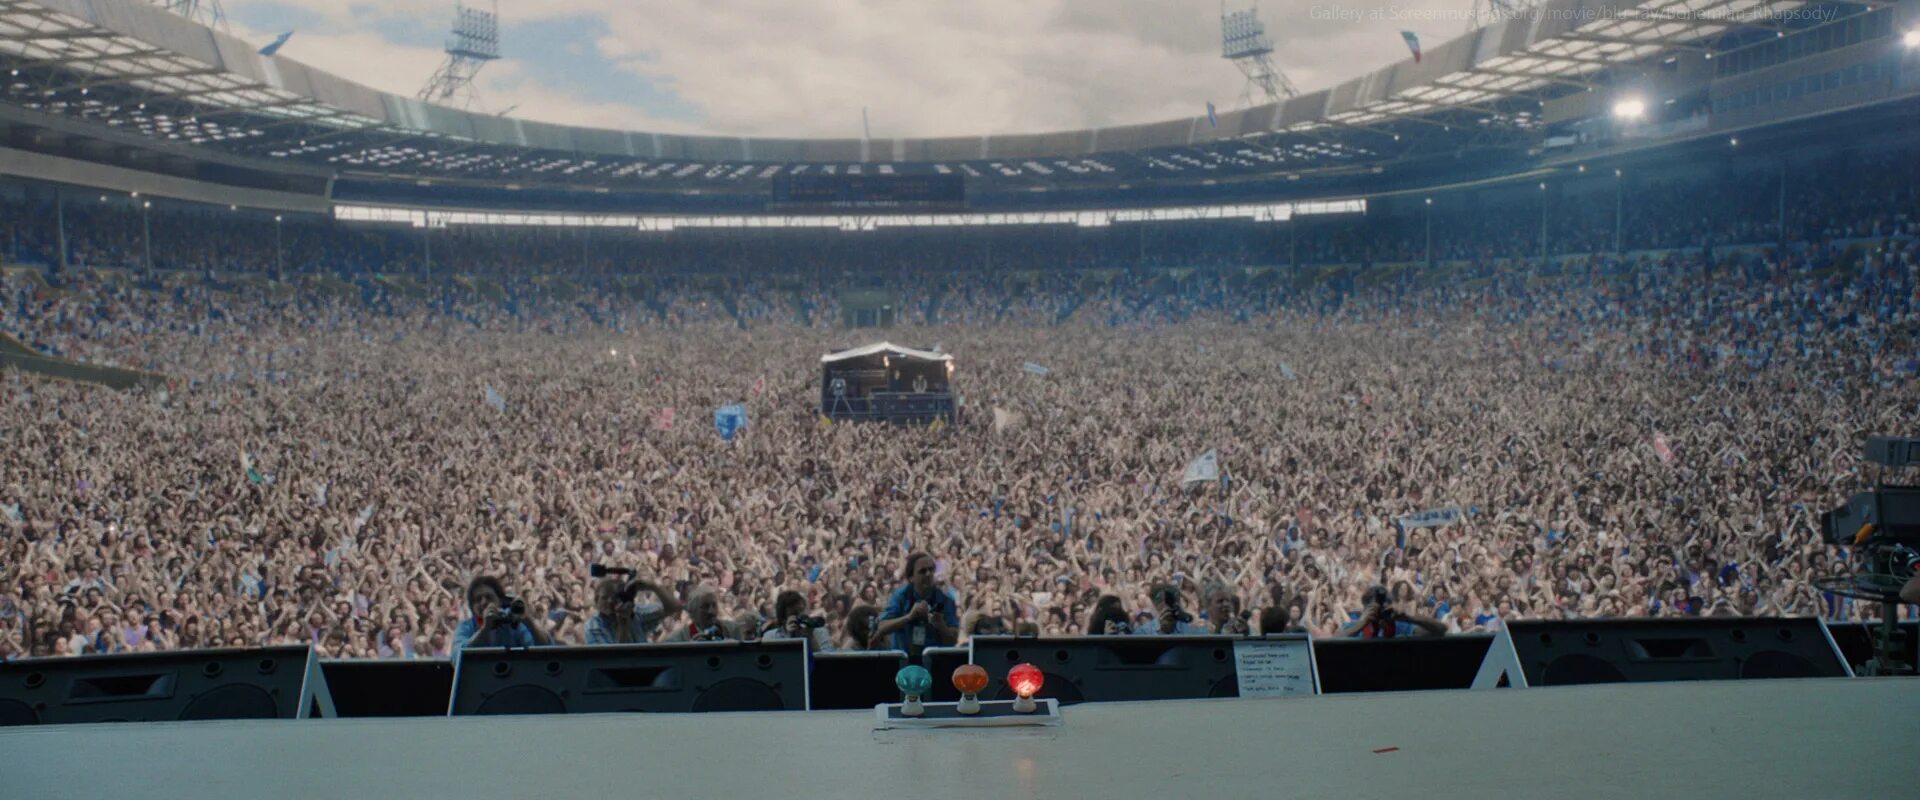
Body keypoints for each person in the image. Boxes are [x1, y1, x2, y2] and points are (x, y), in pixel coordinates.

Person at [875, 552, 957, 655]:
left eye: (931, 569)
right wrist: (909, 617)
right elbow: (881, 627)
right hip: (904, 662)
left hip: (934, 661)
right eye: (922, 571)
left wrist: (941, 625)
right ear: (911, 577)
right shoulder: (901, 596)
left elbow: (953, 640)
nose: (928, 574)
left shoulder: (945, 599)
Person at [451, 575, 555, 656]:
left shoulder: (512, 622)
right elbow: (457, 657)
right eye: (478, 599)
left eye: (489, 597)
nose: (483, 603)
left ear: (499, 601)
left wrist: (528, 620)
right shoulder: (465, 627)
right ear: (472, 607)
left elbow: (545, 650)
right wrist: (485, 629)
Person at [585, 575, 683, 645]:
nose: (610, 601)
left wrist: (654, 587)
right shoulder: (593, 626)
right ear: (596, 600)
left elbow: (673, 608)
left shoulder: (635, 613)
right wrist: (623, 624)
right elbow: (613, 661)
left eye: (614, 597)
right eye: (604, 598)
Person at [1341, 584, 1447, 639]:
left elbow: (1441, 629)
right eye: (1374, 607)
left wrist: (1408, 617)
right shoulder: (1355, 626)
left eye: (1382, 606)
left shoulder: (1399, 626)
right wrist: (1362, 623)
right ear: (1365, 608)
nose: (1379, 612)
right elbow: (1333, 642)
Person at [760, 589, 832, 652]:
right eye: (794, 613)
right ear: (783, 618)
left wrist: (811, 639)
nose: (800, 616)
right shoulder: (771, 637)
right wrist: (789, 639)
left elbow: (827, 661)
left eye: (802, 611)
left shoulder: (819, 631)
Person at [663, 585, 735, 642]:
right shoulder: (678, 639)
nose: (711, 611)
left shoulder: (732, 630)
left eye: (714, 605)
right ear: (692, 612)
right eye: (705, 607)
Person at [1136, 582, 1205, 635]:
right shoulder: (1142, 632)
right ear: (1152, 605)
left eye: (1171, 604)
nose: (1167, 609)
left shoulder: (1192, 630)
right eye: (1162, 605)